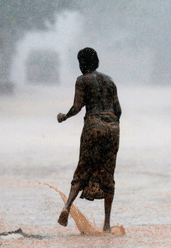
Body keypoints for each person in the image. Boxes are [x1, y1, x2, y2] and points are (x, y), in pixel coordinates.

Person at [57, 47, 121, 232]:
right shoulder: (109, 81)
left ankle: (67, 206)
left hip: (94, 125)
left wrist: (64, 116)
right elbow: (118, 110)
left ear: (81, 63)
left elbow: (77, 107)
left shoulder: (83, 80)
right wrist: (114, 129)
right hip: (112, 127)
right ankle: (107, 225)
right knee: (108, 174)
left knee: (83, 168)